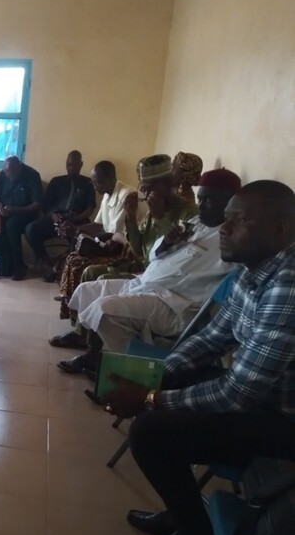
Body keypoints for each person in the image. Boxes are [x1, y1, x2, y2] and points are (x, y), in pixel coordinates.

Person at [101, 180, 295, 535]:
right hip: (259, 395)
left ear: (281, 229)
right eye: (225, 220)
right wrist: (158, 375)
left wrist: (151, 399)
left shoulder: (288, 286)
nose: (224, 229)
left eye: (239, 221)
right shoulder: (254, 270)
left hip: (282, 422)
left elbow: (237, 394)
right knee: (170, 382)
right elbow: (212, 337)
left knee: (150, 432)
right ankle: (181, 507)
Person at [56, 168, 241, 375]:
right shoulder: (197, 222)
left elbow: (189, 273)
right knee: (87, 290)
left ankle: (133, 373)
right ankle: (96, 354)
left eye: (209, 200)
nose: (202, 206)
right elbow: (149, 252)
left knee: (105, 310)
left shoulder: (227, 237)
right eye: (201, 199)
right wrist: (166, 242)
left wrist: (161, 219)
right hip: (149, 283)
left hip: (175, 303)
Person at [54, 161, 145, 321]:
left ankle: (80, 316)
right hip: (111, 245)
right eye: (93, 182)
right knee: (72, 258)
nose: (94, 186)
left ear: (111, 178)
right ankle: (70, 301)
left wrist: (76, 231)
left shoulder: (127, 195)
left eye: (97, 182)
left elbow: (113, 234)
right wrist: (74, 227)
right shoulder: (107, 195)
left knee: (78, 264)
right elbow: (98, 225)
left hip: (125, 251)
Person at [24, 150, 96, 277]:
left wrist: (77, 219)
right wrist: (52, 215)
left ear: (81, 164)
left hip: (77, 221)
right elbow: (46, 205)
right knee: (31, 228)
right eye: (69, 165)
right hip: (57, 220)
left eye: (75, 165)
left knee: (83, 240)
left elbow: (90, 208)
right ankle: (47, 262)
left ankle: (63, 268)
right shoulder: (57, 181)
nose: (71, 168)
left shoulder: (88, 183)